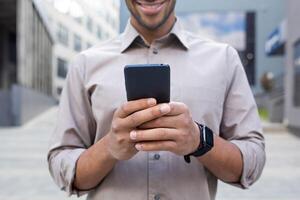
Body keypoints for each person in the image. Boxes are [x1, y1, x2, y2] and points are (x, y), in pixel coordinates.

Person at [47, 0, 266, 199]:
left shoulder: (224, 60)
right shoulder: (85, 64)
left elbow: (251, 164)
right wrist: (109, 148)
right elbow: (62, 167)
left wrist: (199, 140)